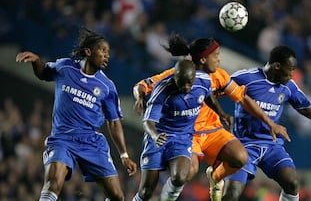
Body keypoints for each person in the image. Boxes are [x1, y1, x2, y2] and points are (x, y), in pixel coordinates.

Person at [133, 34, 289, 201]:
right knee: (188, 171)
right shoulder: (177, 75)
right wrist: (140, 97)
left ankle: (215, 178)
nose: (219, 59)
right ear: (203, 59)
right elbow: (142, 85)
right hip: (188, 134)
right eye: (216, 56)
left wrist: (269, 122)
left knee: (241, 157)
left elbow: (242, 98)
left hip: (213, 131)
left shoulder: (219, 76)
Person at [15, 28, 137, 201]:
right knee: (53, 182)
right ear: (88, 51)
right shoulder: (65, 67)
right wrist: (36, 61)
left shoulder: (107, 86)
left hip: (91, 142)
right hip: (62, 139)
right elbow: (43, 73)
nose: (107, 55)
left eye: (108, 52)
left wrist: (124, 155)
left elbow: (114, 122)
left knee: (117, 196)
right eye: (102, 50)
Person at [222, 45, 311, 201]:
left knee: (292, 182)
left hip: (272, 145)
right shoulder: (246, 78)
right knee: (232, 193)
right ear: (277, 66)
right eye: (290, 69)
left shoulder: (288, 86)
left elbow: (303, 106)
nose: (292, 75)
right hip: (244, 144)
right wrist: (219, 113)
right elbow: (218, 88)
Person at [132, 59, 223, 201]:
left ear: (194, 76)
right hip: (158, 137)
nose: (186, 87)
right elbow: (148, 121)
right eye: (182, 82)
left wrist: (221, 114)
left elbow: (209, 96)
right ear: (175, 77)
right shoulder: (162, 89)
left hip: (182, 138)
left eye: (189, 82)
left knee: (180, 176)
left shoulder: (204, 81)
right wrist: (155, 136)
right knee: (146, 192)